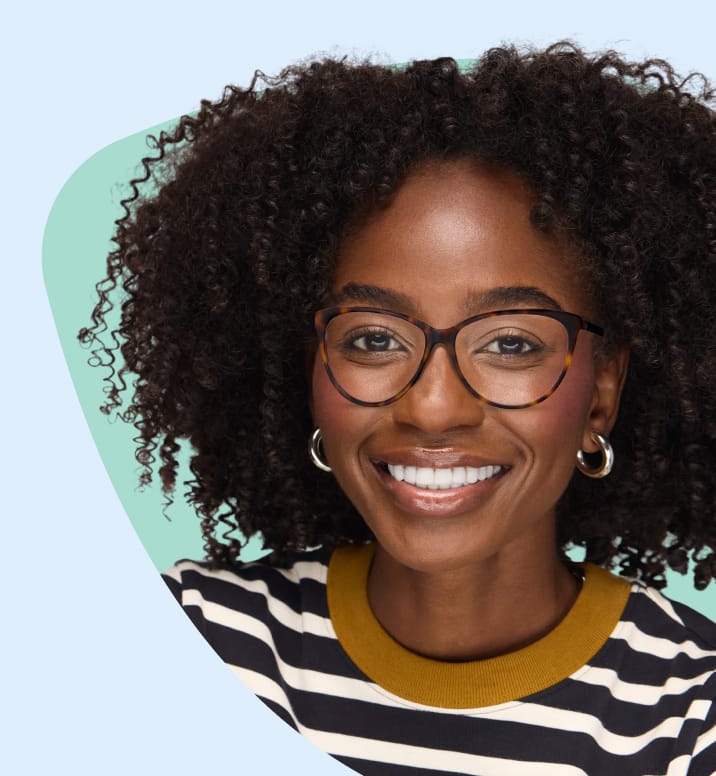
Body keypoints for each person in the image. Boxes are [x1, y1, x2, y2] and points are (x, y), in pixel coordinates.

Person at [81, 44, 716, 775]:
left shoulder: (687, 721)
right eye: (374, 338)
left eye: (510, 343)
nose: (433, 407)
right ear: (312, 369)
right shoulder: (188, 642)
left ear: (601, 393)